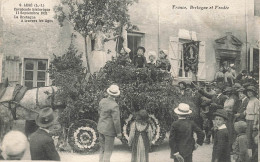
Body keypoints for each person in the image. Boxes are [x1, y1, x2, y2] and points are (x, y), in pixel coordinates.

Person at [98, 84, 122, 162]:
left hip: (101, 128)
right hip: (109, 131)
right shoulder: (114, 105)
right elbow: (116, 120)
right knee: (108, 152)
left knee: (102, 149)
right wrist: (119, 133)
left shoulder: (102, 101)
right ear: (116, 95)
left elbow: (99, 112)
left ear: (108, 93)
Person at [244, 86, 259, 159]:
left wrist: (254, 124)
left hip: (252, 120)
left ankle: (254, 156)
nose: (249, 92)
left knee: (252, 138)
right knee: (248, 138)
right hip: (247, 119)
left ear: (254, 92)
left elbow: (257, 113)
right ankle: (250, 156)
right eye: (248, 91)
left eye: (251, 91)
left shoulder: (256, 101)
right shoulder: (249, 100)